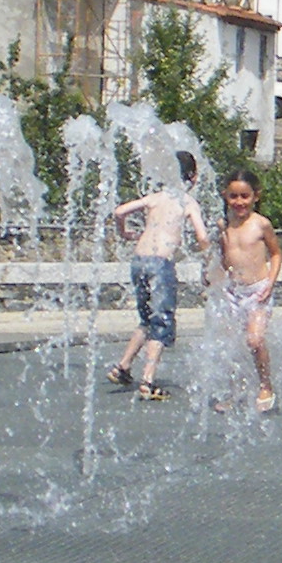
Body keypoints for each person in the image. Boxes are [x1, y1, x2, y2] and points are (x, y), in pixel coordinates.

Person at [107, 148, 208, 403]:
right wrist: (203, 254)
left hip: (139, 261)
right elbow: (202, 237)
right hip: (161, 263)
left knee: (146, 318)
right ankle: (148, 381)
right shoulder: (188, 202)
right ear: (193, 177)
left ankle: (122, 367)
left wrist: (124, 233)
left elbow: (119, 212)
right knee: (162, 321)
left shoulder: (156, 197)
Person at [213, 166, 281, 414]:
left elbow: (276, 254)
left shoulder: (261, 224)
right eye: (233, 196)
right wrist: (214, 279)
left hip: (258, 290)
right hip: (233, 291)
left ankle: (265, 385)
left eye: (245, 196)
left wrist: (270, 283)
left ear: (256, 196)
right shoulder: (223, 225)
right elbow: (222, 257)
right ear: (225, 196)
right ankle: (236, 390)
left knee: (254, 340)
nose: (239, 202)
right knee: (230, 343)